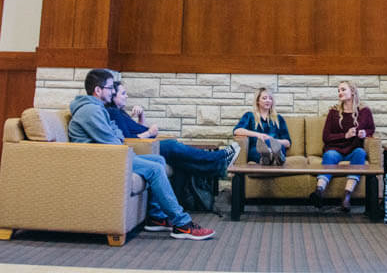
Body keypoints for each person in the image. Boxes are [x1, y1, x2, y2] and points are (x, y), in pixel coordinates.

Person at [68, 68, 214, 240]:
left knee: (158, 160)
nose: (113, 91)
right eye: (110, 88)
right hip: (102, 161)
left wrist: (117, 137)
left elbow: (118, 135)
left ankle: (156, 218)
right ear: (98, 90)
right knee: (155, 169)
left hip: (111, 155)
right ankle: (182, 224)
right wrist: (116, 138)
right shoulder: (90, 111)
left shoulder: (97, 109)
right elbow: (113, 141)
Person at [106, 80, 240, 179]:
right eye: (123, 93)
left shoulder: (120, 113)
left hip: (148, 145)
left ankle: (219, 166)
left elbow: (138, 131)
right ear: (113, 97)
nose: (127, 96)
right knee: (172, 145)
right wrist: (149, 133)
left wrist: (142, 115)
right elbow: (129, 140)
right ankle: (220, 156)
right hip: (143, 149)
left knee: (181, 160)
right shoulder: (114, 113)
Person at [309, 80, 375, 212]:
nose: (340, 93)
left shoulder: (364, 111)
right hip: (336, 149)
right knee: (329, 155)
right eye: (338, 90)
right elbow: (326, 137)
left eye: (343, 89)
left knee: (360, 153)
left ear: (353, 91)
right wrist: (345, 135)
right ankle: (319, 191)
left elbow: (371, 129)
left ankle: (347, 196)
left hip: (353, 149)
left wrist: (364, 133)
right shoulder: (333, 112)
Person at [233, 87, 291, 165]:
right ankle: (271, 158)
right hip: (257, 150)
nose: (268, 100)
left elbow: (287, 143)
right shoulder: (249, 116)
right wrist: (259, 135)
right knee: (259, 148)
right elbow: (237, 131)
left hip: (277, 148)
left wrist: (272, 141)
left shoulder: (278, 118)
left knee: (277, 146)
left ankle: (273, 157)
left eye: (270, 98)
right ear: (257, 101)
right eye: (264, 98)